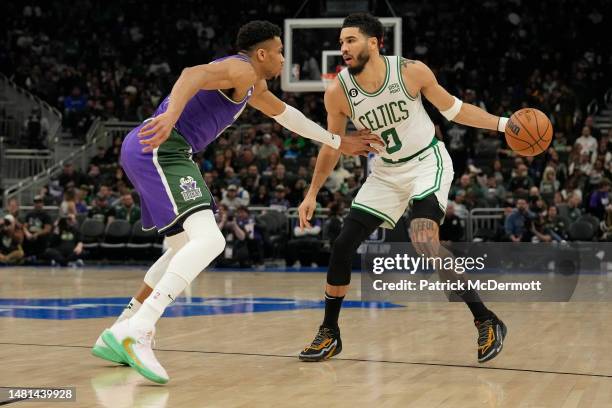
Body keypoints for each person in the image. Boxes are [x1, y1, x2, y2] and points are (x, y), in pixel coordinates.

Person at [93, 20, 383, 385]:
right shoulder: (241, 68)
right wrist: (169, 115)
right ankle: (138, 329)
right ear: (262, 53)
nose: (282, 59)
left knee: (181, 247)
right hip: (162, 147)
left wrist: (338, 141)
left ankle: (121, 327)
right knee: (211, 240)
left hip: (156, 149)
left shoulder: (253, 86)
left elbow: (287, 117)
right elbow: (192, 73)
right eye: (279, 52)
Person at [298, 13, 508, 364]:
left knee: (424, 238)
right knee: (342, 244)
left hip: (426, 161)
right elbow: (333, 144)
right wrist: (311, 193)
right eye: (340, 43)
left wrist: (503, 123)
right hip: (385, 172)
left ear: (375, 42)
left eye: (350, 40)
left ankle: (486, 319)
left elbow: (454, 111)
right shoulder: (338, 92)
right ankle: (329, 333)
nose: (343, 48)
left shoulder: (410, 71)